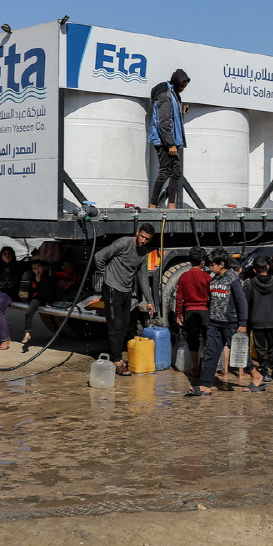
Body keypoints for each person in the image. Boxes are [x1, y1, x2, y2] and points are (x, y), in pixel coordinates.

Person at [186, 253, 261, 396]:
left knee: (238, 352)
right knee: (210, 353)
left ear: (221, 264)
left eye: (212, 265)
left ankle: (256, 375)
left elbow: (241, 301)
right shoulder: (214, 279)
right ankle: (205, 385)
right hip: (214, 323)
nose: (210, 267)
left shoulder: (233, 279)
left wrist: (243, 323)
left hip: (230, 323)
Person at [95, 224, 156, 375]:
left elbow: (143, 279)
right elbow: (99, 256)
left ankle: (117, 355)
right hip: (112, 288)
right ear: (137, 233)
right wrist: (105, 275)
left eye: (147, 239)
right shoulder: (123, 243)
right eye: (142, 236)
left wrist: (149, 301)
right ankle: (116, 360)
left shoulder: (143, 253)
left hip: (126, 290)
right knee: (115, 326)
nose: (143, 240)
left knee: (124, 326)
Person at [148, 69, 190, 209]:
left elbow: (172, 116)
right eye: (181, 86)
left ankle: (171, 205)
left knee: (176, 172)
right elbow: (164, 122)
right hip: (163, 141)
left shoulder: (174, 94)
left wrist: (181, 110)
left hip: (171, 140)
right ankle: (153, 205)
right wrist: (170, 144)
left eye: (184, 87)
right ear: (176, 82)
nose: (183, 89)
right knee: (165, 170)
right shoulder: (165, 95)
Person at [243, 256, 273, 382]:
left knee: (260, 348)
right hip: (272, 320)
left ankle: (264, 371)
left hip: (257, 321)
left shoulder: (250, 284)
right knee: (272, 346)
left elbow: (247, 303)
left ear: (254, 270)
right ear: (268, 267)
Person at [0, 246, 28, 351]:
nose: (7, 256)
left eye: (9, 254)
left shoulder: (18, 266)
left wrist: (36, 256)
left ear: (13, 255)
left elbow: (32, 264)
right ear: (1, 256)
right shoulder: (1, 267)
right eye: (4, 254)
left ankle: (5, 339)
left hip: (9, 293)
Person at [175, 246, 212, 377]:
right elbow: (212, 296)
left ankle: (195, 369)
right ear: (202, 262)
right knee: (208, 341)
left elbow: (179, 297)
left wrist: (179, 314)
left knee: (193, 341)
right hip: (205, 312)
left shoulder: (183, 277)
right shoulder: (207, 277)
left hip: (189, 312)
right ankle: (209, 369)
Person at [21, 259, 55, 347]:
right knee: (28, 312)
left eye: (38, 268)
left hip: (45, 298)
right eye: (34, 268)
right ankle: (27, 333)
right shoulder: (33, 276)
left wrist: (48, 302)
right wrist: (28, 300)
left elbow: (47, 291)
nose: (36, 270)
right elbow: (30, 289)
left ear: (43, 268)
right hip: (37, 298)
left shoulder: (47, 278)